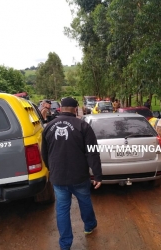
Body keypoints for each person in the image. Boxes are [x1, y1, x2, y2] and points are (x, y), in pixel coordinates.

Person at [41, 97, 102, 250]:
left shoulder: (48, 127)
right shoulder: (83, 126)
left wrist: (52, 170)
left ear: (60, 108)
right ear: (76, 109)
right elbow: (92, 153)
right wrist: (97, 175)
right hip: (79, 176)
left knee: (62, 210)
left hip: (59, 178)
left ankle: (65, 244)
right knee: (84, 202)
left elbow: (45, 154)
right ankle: (89, 226)